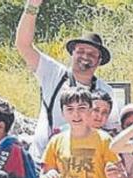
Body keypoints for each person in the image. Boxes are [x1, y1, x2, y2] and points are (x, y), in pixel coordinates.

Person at [16, 0, 117, 161]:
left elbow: (112, 128)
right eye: (81, 51)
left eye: (91, 54)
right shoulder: (53, 73)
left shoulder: (105, 91)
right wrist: (32, 6)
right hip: (43, 162)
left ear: (99, 61)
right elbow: (23, 45)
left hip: (84, 167)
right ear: (73, 53)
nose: (85, 56)